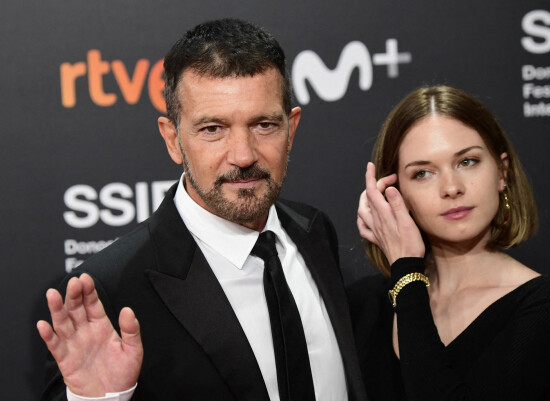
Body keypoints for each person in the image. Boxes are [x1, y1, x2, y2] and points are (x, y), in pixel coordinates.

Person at [37, 18, 367, 401]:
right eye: (213, 129)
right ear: (172, 139)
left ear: (291, 129)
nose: (243, 155)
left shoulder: (314, 230)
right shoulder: (109, 290)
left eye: (263, 124)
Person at [349, 85, 550, 401]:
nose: (451, 187)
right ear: (394, 192)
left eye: (467, 162)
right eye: (423, 173)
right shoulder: (364, 305)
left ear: (502, 172)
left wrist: (406, 274)